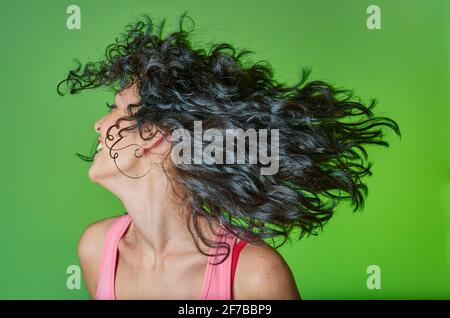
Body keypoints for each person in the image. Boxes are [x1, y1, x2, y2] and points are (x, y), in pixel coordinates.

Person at [56, 12, 400, 300]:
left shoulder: (254, 276)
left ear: (156, 136)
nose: (99, 125)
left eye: (115, 108)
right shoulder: (98, 248)